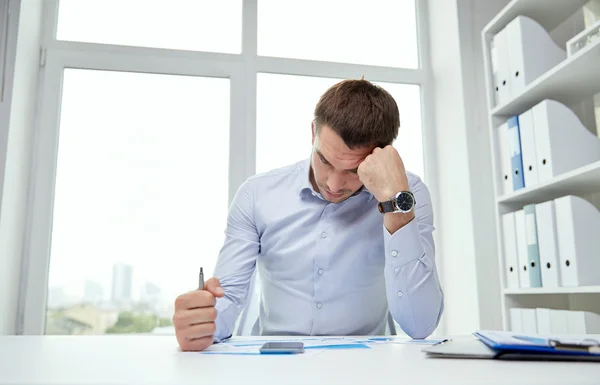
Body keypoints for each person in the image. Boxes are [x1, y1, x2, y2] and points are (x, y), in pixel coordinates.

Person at [172, 79, 444, 351]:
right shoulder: (257, 194)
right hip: (273, 362)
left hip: (364, 364)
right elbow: (227, 297)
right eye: (324, 160)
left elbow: (420, 325)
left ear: (381, 156)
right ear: (313, 132)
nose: (334, 185)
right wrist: (201, 323)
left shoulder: (407, 193)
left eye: (353, 170)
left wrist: (395, 204)